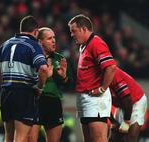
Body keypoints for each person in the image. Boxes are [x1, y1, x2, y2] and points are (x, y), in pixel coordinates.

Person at [0, 16, 52, 142]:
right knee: (21, 137)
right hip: (24, 93)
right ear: (36, 31)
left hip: (6, 93)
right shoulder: (33, 45)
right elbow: (43, 69)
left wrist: (3, 83)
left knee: (8, 136)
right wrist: (39, 87)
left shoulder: (6, 43)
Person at [68, 14, 116, 142]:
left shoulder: (96, 43)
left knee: (98, 139)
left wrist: (102, 89)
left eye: (74, 31)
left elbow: (110, 67)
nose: (72, 35)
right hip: (85, 97)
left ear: (84, 29)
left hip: (95, 100)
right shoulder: (83, 46)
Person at [28, 27, 70, 142]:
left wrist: (64, 77)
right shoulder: (31, 57)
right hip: (35, 100)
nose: (53, 41)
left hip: (53, 102)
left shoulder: (59, 59)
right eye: (49, 38)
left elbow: (68, 83)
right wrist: (43, 76)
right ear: (40, 42)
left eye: (54, 38)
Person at [109, 67, 147, 142]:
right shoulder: (96, 80)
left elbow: (128, 100)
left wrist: (126, 122)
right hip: (121, 104)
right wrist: (113, 122)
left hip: (136, 102)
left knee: (130, 139)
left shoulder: (114, 74)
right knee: (114, 138)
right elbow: (103, 106)